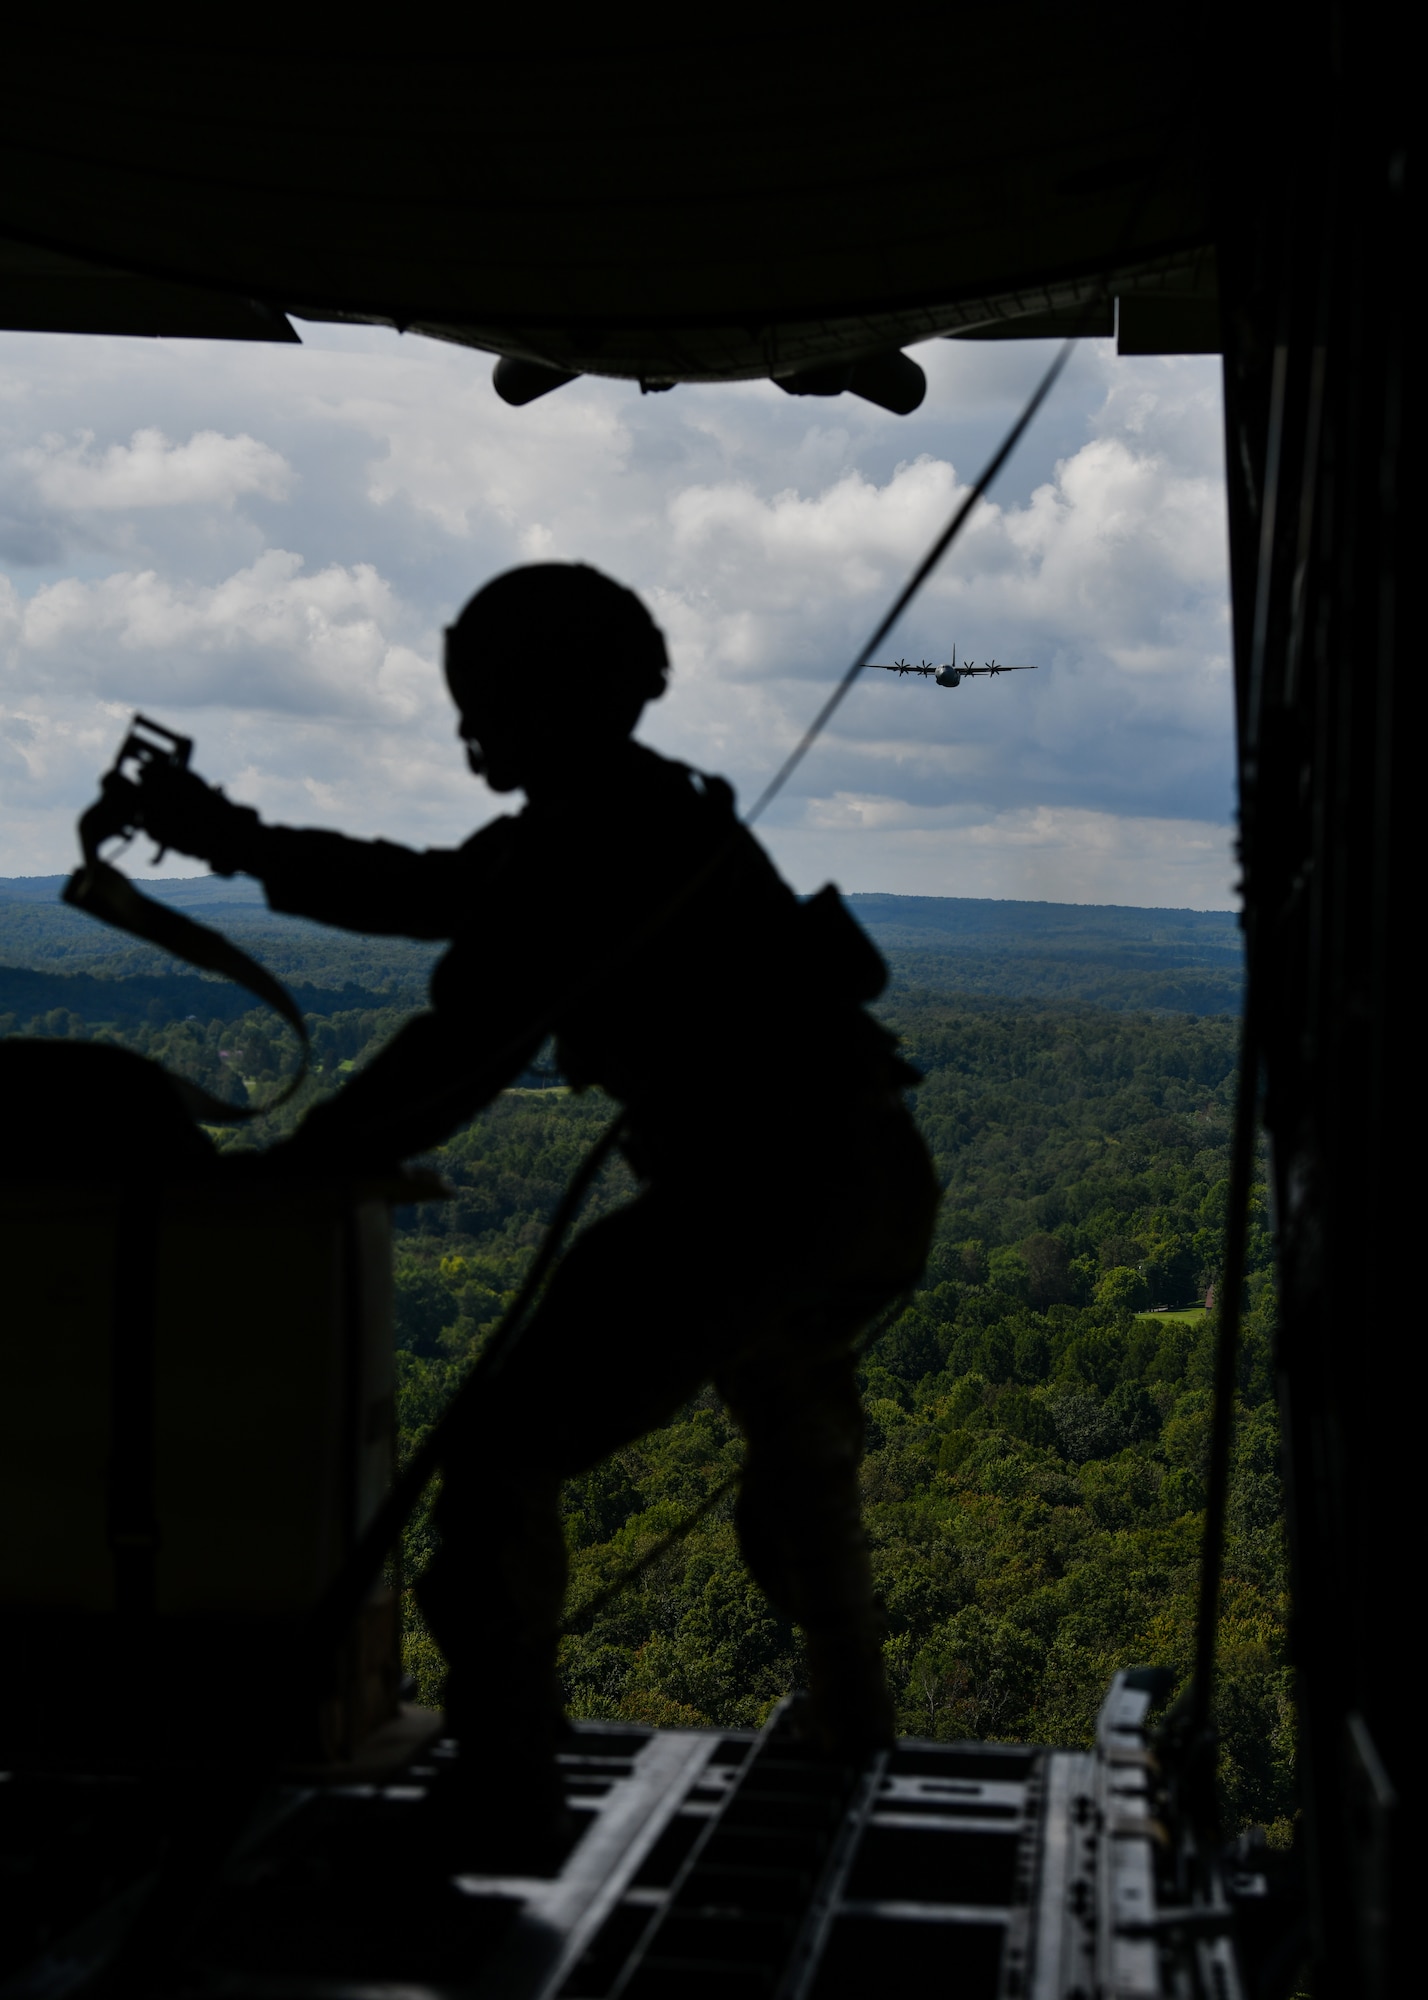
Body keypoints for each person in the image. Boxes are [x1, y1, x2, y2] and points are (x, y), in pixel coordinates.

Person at [134, 562, 939, 1824]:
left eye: (484, 705)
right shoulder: (631, 811)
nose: (470, 735)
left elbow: (462, 1041)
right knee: (796, 1435)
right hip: (859, 1179)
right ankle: (851, 1720)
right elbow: (434, 891)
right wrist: (232, 836)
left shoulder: (596, 836)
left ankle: (505, 1771)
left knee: (503, 1455)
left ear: (544, 702)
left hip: (765, 1190)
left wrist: (295, 1174)